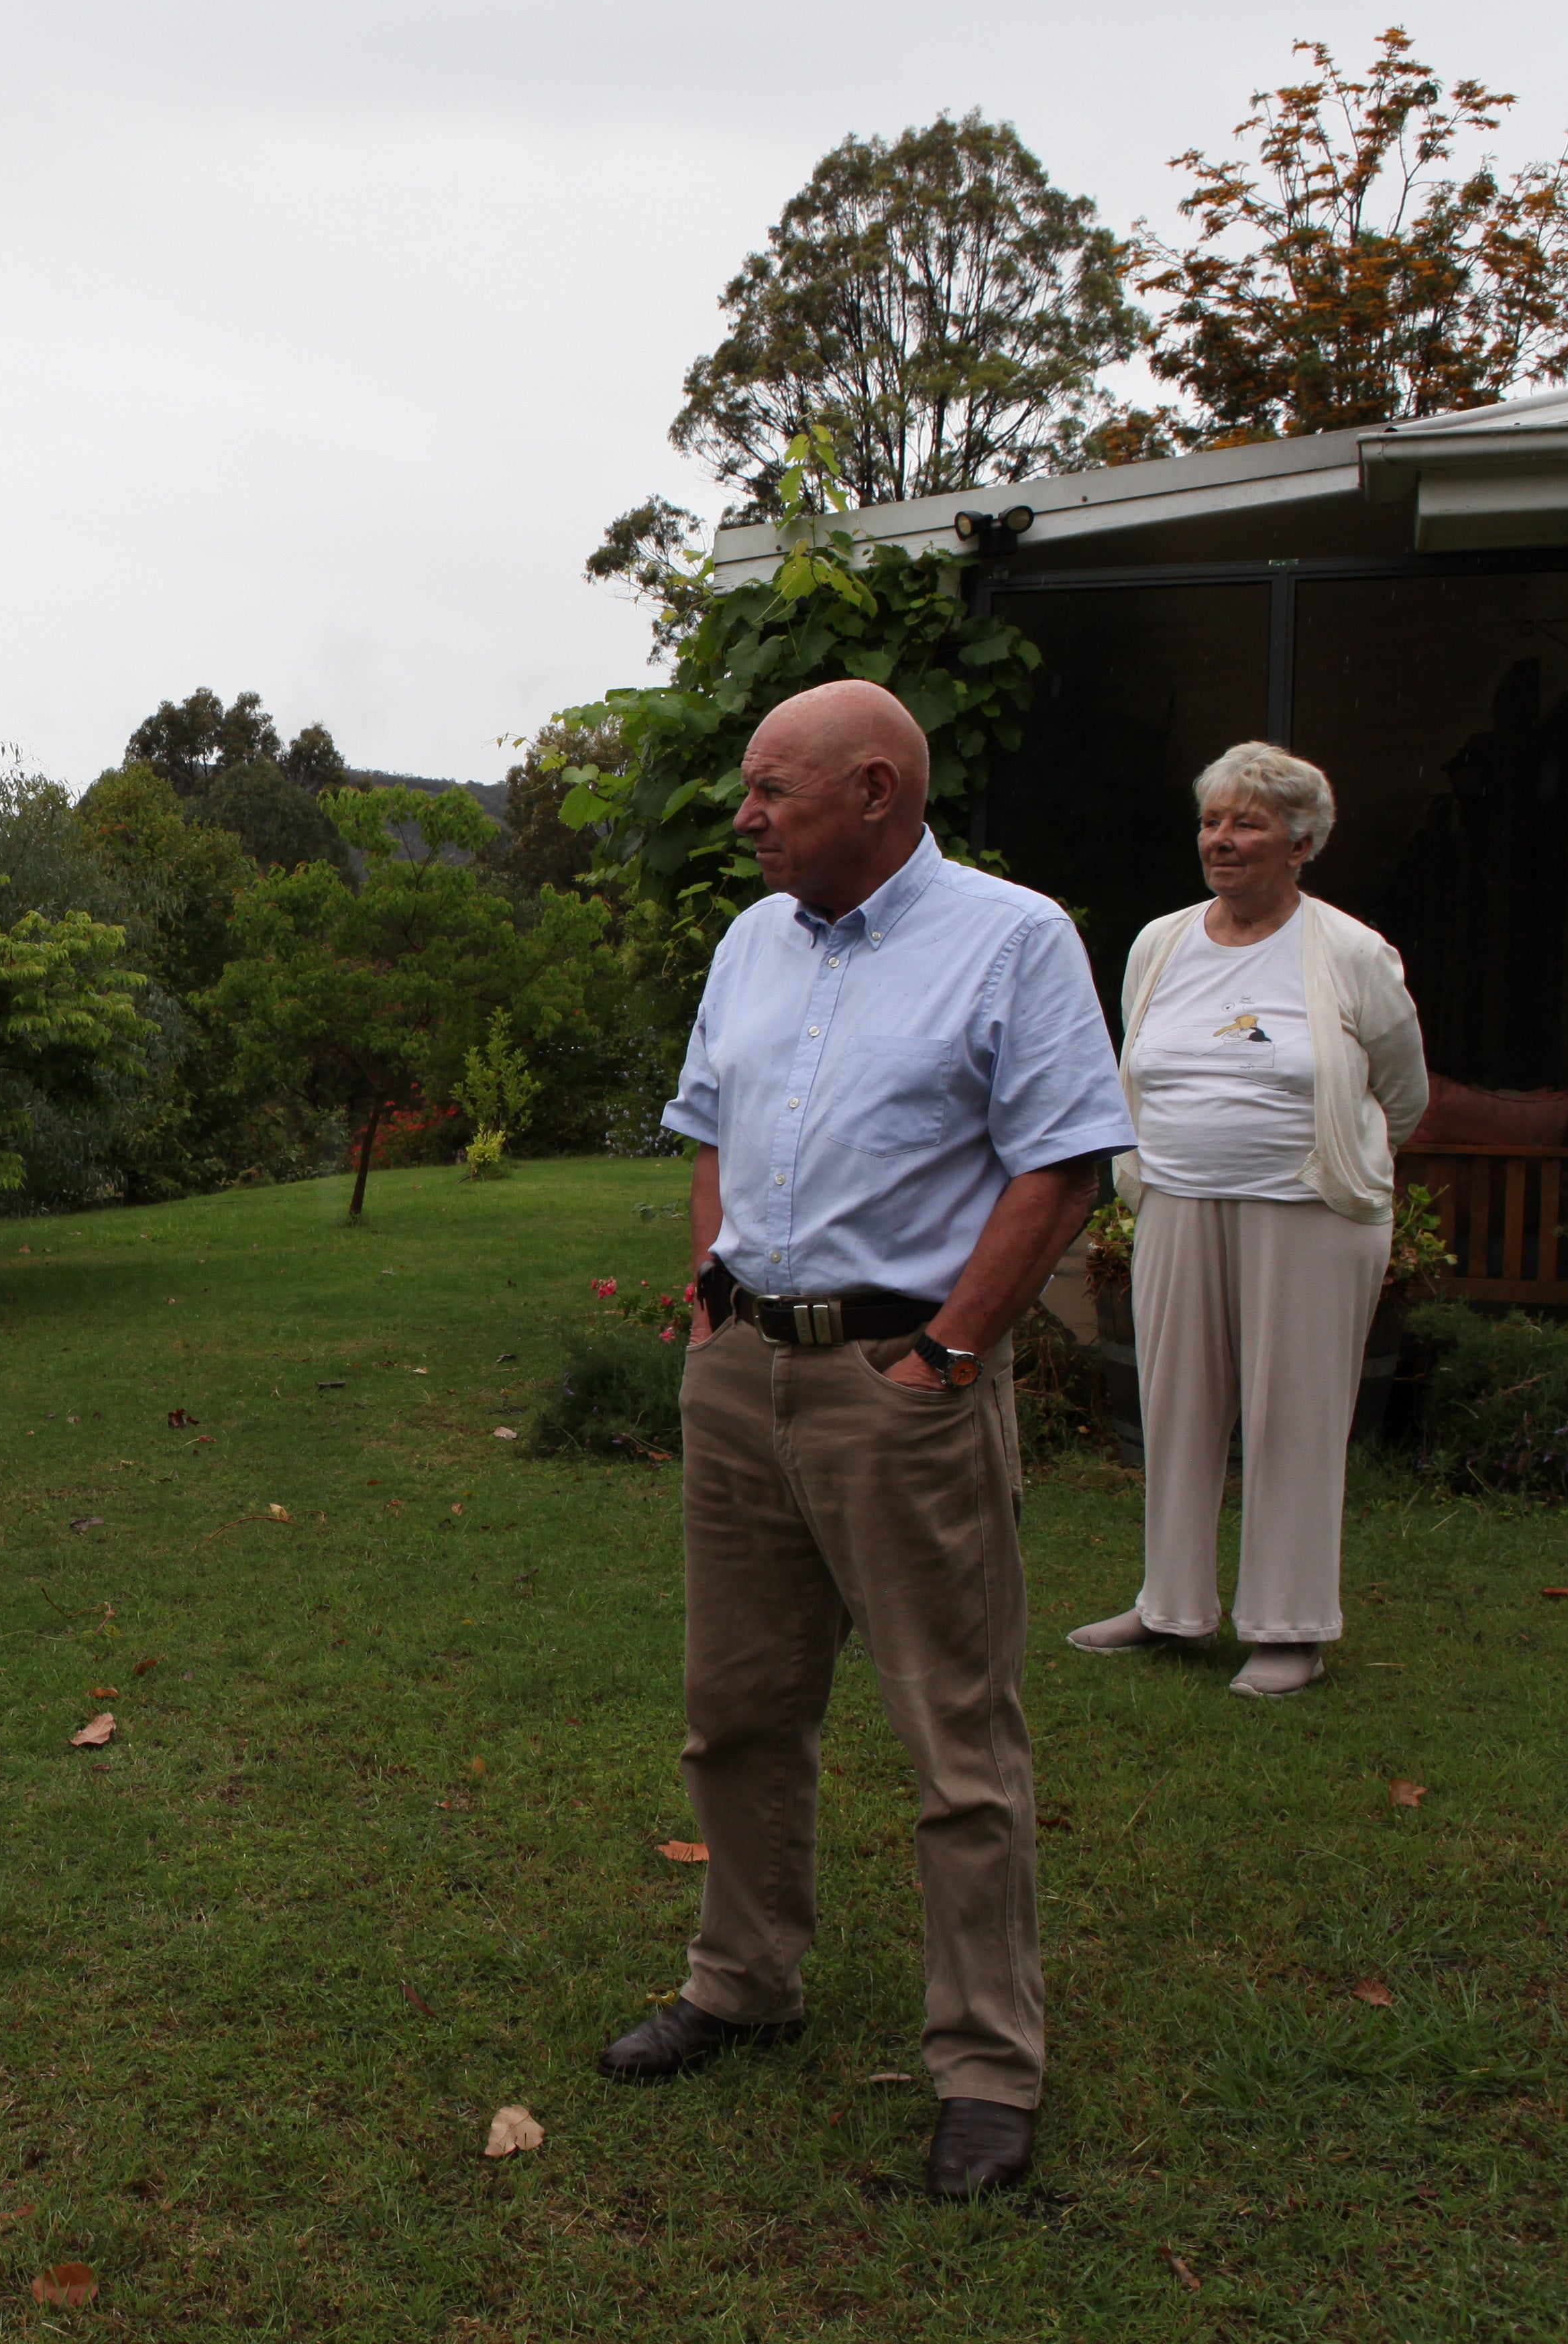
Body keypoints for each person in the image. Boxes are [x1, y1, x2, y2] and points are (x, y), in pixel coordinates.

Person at [602, 679, 1129, 2205]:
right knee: (737, 1708)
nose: (748, 817)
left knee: (955, 1742)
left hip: (901, 1384)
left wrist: (949, 1354)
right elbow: (711, 1124)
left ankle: (984, 2068)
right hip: (744, 1370)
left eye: (775, 791)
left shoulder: (1014, 938)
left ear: (881, 792)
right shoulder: (752, 940)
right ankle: (744, 1980)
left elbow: (1062, 1162)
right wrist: (709, 1302)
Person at [1068, 742, 1428, 1699]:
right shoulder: (1161, 943)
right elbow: (1136, 1064)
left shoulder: (1350, 952)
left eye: (1248, 824)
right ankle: (1170, 1604)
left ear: (1301, 842)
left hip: (1310, 1212)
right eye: (1212, 822)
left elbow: (1403, 1089)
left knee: (1294, 1419)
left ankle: (1289, 1627)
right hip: (1178, 1201)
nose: (1222, 842)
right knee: (1176, 1407)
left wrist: (1346, 1153)